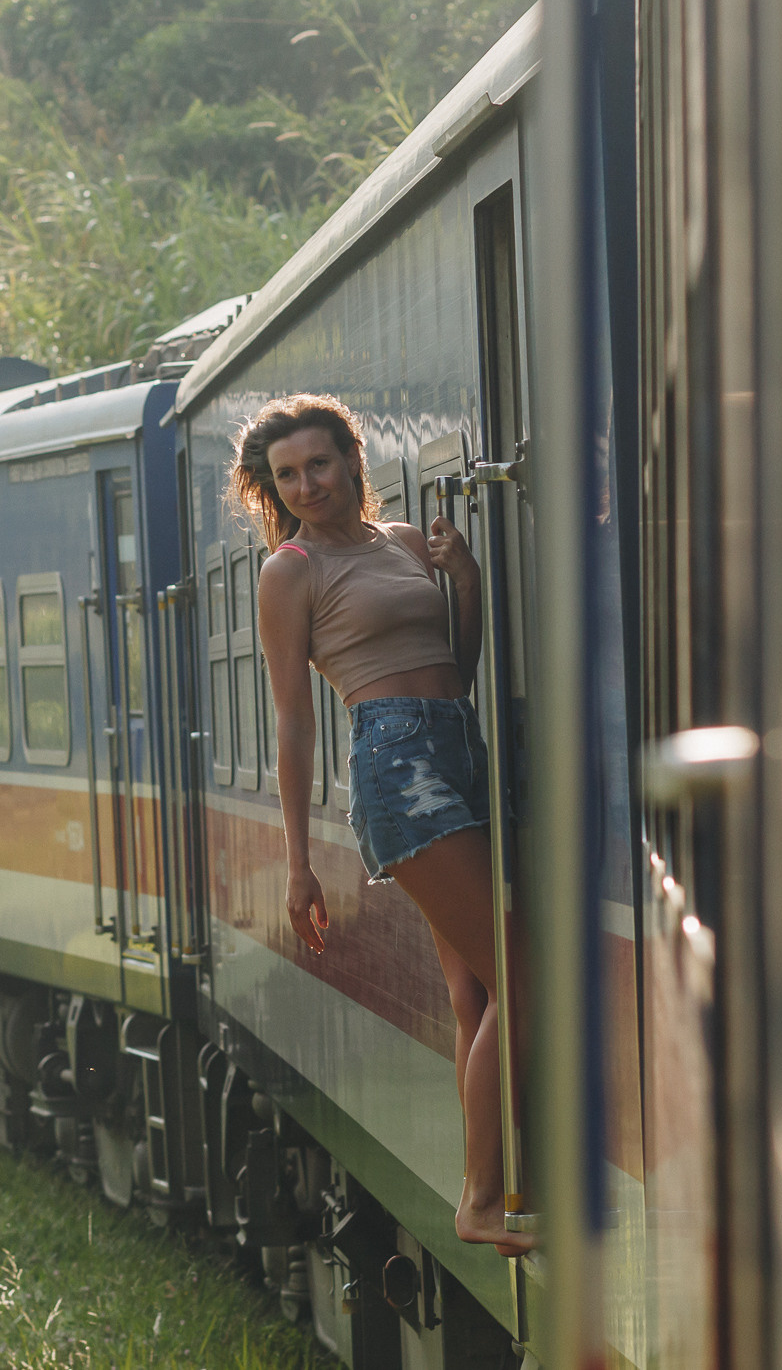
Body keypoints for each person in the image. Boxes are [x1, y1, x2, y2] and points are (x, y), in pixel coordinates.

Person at [242, 394, 532, 1255]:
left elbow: (458, 664)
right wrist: (298, 864)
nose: (306, 484)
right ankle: (481, 1200)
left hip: (457, 744)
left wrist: (467, 581)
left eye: (318, 464)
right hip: (397, 765)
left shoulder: (403, 543)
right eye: (286, 474)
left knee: (475, 991)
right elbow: (293, 723)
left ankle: (506, 1178)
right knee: (525, 976)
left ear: (351, 460)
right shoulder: (288, 571)